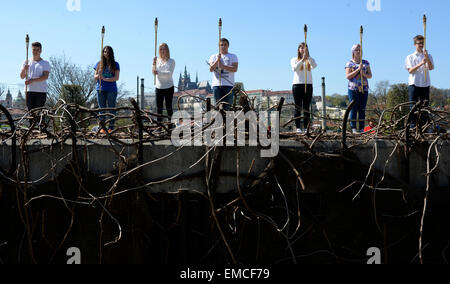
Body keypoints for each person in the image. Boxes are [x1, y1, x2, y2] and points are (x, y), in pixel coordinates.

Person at [405, 35, 434, 129]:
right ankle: (413, 126)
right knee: (413, 106)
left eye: (423, 43)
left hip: (425, 83)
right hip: (414, 83)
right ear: (415, 44)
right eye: (419, 43)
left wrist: (427, 58)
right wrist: (421, 63)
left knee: (425, 106)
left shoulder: (428, 55)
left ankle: (424, 126)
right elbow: (410, 70)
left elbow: (431, 67)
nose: (421, 45)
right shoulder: (410, 57)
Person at [345, 44, 373, 134]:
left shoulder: (365, 62)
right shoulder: (349, 63)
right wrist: (358, 70)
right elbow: (348, 76)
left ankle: (361, 128)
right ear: (353, 52)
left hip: (363, 88)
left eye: (360, 50)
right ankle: (353, 128)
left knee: (362, 109)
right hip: (353, 88)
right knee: (353, 108)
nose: (358, 51)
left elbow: (370, 75)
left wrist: (363, 73)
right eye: (356, 50)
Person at [291, 43, 317, 134]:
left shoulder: (310, 59)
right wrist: (302, 59)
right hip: (297, 85)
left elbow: (314, 65)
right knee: (298, 107)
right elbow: (295, 68)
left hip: (308, 84)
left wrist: (307, 58)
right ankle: (298, 127)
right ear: (298, 50)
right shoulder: (294, 59)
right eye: (301, 48)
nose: (303, 49)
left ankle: (306, 127)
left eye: (304, 48)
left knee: (306, 107)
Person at [94, 46, 120, 133]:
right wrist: (99, 75)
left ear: (111, 53)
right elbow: (95, 77)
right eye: (104, 52)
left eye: (108, 52)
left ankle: (111, 128)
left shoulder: (115, 64)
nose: (106, 53)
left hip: (111, 89)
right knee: (102, 109)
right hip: (101, 89)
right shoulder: (99, 64)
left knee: (112, 109)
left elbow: (116, 77)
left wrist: (105, 79)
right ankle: (102, 128)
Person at [19, 42, 51, 111]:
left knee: (39, 114)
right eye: (34, 50)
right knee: (31, 113)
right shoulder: (26, 62)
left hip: (41, 92)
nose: (35, 52)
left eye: (37, 50)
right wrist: (24, 69)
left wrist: (32, 80)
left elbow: (45, 76)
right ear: (31, 50)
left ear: (40, 51)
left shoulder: (45, 63)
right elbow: (22, 76)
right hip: (29, 91)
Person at [209, 38, 239, 110]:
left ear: (228, 46)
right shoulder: (213, 56)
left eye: (225, 45)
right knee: (218, 106)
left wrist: (223, 66)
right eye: (221, 45)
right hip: (217, 85)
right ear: (219, 46)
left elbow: (235, 69)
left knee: (228, 107)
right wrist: (217, 60)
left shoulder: (233, 56)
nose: (223, 46)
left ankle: (228, 121)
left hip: (228, 85)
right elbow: (211, 69)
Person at [153, 43, 175, 124]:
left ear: (167, 50)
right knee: (159, 109)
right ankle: (159, 127)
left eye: (164, 49)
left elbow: (169, 73)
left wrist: (158, 72)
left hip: (169, 86)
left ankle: (170, 126)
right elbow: (153, 72)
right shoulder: (157, 61)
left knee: (169, 107)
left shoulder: (171, 61)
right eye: (161, 49)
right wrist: (153, 63)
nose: (162, 51)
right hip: (159, 87)